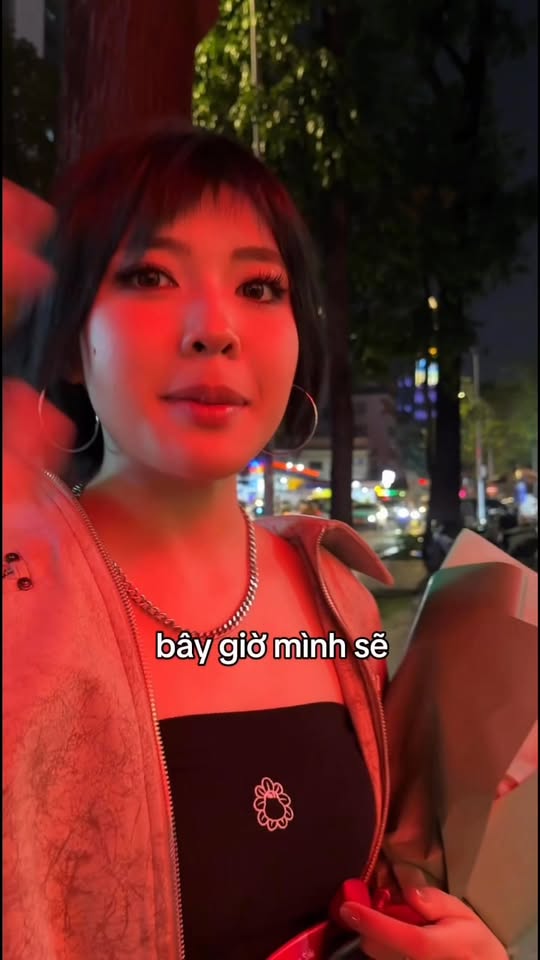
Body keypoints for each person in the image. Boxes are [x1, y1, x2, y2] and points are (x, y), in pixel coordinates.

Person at [3, 127, 508, 960]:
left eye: (260, 287)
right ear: (71, 342)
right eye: (150, 275)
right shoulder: (21, 597)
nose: (216, 328)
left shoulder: (340, 600)